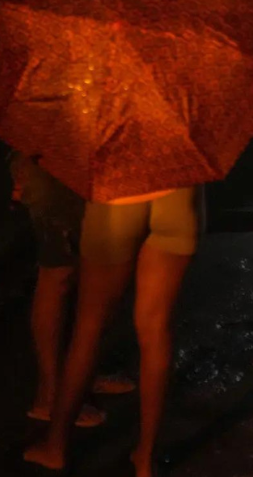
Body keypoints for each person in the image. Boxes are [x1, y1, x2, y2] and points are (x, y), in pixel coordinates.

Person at [24, 185, 203, 477]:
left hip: (117, 201)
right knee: (156, 330)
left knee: (89, 329)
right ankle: (145, 459)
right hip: (179, 199)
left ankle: (55, 447)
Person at [8, 152, 136, 429]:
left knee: (86, 272)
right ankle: (50, 397)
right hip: (53, 167)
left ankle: (81, 375)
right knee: (58, 274)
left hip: (87, 166)